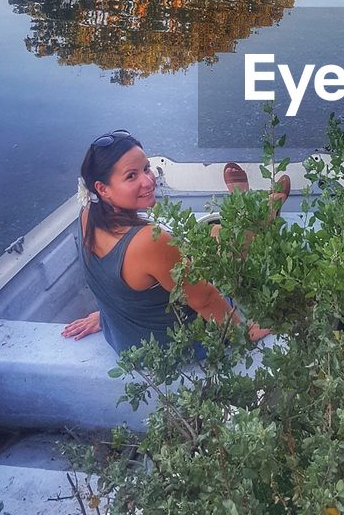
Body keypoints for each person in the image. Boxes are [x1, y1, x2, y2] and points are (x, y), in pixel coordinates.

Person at [62, 130, 287, 355]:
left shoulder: (88, 214)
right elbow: (205, 299)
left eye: (146, 168)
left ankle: (244, 205)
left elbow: (113, 282)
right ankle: (260, 212)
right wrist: (242, 334)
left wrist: (106, 316)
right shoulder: (147, 241)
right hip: (179, 347)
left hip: (127, 341)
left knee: (208, 239)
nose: (148, 181)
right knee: (220, 236)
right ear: (102, 189)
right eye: (131, 176)